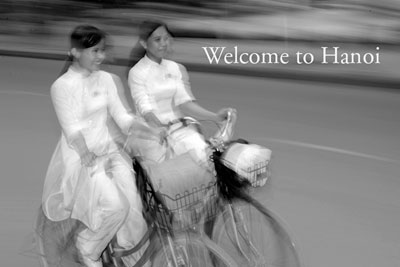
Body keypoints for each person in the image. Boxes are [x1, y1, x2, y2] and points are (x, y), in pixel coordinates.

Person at [37, 25, 157, 267]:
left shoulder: (106, 80)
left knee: (134, 208)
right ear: (75, 52)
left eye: (102, 50)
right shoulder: (62, 87)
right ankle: (88, 246)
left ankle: (122, 253)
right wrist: (87, 154)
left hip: (110, 151)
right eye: (94, 51)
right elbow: (72, 130)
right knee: (116, 207)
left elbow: (123, 118)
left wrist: (152, 130)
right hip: (82, 159)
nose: (101, 56)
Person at [127, 20, 232, 167]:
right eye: (157, 40)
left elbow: (186, 103)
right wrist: (159, 128)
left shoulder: (175, 68)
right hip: (150, 133)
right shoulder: (137, 72)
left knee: (205, 157)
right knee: (168, 176)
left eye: (166, 38)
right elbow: (145, 110)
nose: (163, 43)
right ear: (144, 43)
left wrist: (216, 117)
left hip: (178, 128)